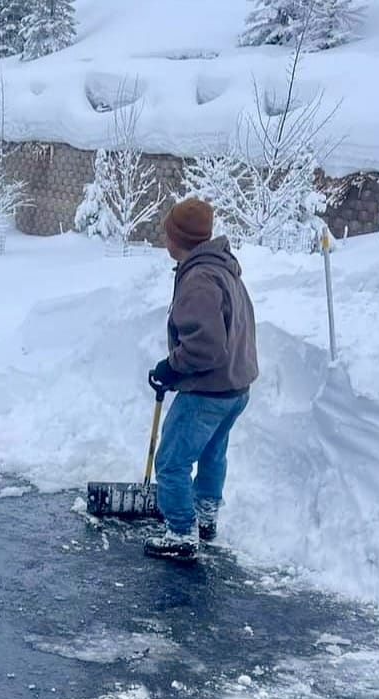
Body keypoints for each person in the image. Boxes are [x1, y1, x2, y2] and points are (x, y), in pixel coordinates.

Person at [144, 198, 258, 562]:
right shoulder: (222, 269)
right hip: (234, 388)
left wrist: (170, 368)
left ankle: (180, 531)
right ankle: (205, 517)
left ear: (177, 239)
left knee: (172, 461)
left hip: (208, 389)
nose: (165, 239)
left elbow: (204, 346)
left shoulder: (199, 280)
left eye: (168, 233)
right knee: (212, 453)